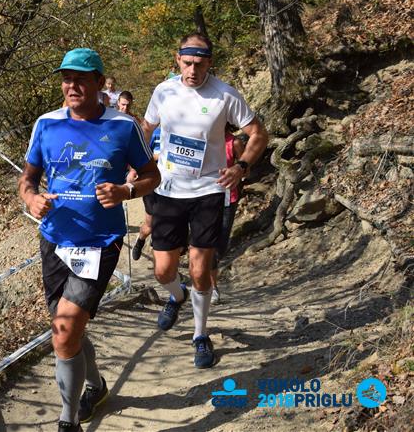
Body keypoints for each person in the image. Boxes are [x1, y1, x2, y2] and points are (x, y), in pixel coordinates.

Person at [19, 48, 159, 432]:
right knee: (66, 330)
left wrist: (126, 192)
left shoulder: (123, 126)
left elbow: (152, 175)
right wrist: (31, 199)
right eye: (66, 79)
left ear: (99, 82)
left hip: (99, 242)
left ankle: (68, 421)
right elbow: (28, 179)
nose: (72, 86)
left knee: (64, 332)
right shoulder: (46, 124)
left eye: (81, 79)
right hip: (54, 239)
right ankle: (96, 386)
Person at [141, 33, 268, 369]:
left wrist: (241, 167)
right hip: (168, 189)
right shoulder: (163, 91)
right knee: (163, 271)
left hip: (208, 191)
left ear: (210, 62)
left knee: (200, 270)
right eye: (187, 63)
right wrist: (137, 163)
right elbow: (145, 128)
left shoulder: (225, 94)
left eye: (199, 64)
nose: (193, 70)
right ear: (177, 59)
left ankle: (200, 335)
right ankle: (177, 295)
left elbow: (258, 133)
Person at [210, 126, 245, 304]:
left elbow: (246, 168)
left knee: (220, 246)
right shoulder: (202, 138)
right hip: (203, 198)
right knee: (206, 243)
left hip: (227, 199)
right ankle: (211, 287)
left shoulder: (235, 142)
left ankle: (208, 280)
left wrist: (235, 174)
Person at [131, 126, 161, 261]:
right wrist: (162, 156)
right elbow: (143, 155)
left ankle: (159, 253)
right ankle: (140, 240)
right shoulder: (155, 133)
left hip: (173, 188)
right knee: (149, 225)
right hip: (153, 185)